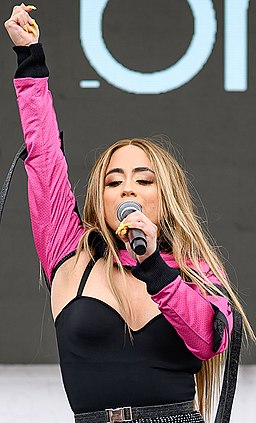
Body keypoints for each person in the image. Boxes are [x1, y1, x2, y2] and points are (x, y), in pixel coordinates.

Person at [3, 4, 254, 423]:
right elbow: (44, 159)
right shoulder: (69, 253)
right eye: (113, 181)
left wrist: (154, 265)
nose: (127, 189)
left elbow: (209, 341)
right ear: (99, 197)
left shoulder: (194, 268)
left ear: (164, 194)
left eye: (143, 179)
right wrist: (30, 59)